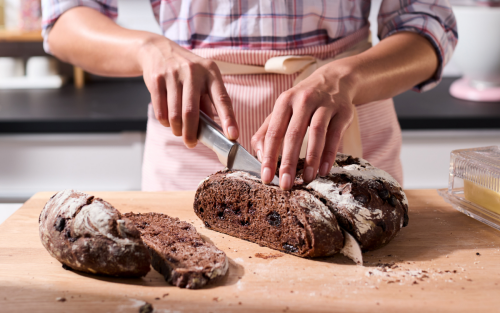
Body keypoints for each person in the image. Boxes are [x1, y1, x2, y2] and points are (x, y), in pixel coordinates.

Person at [41, 0, 457, 191]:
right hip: (198, 133)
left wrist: (346, 77)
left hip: (345, 131)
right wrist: (147, 48)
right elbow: (64, 19)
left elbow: (427, 24)